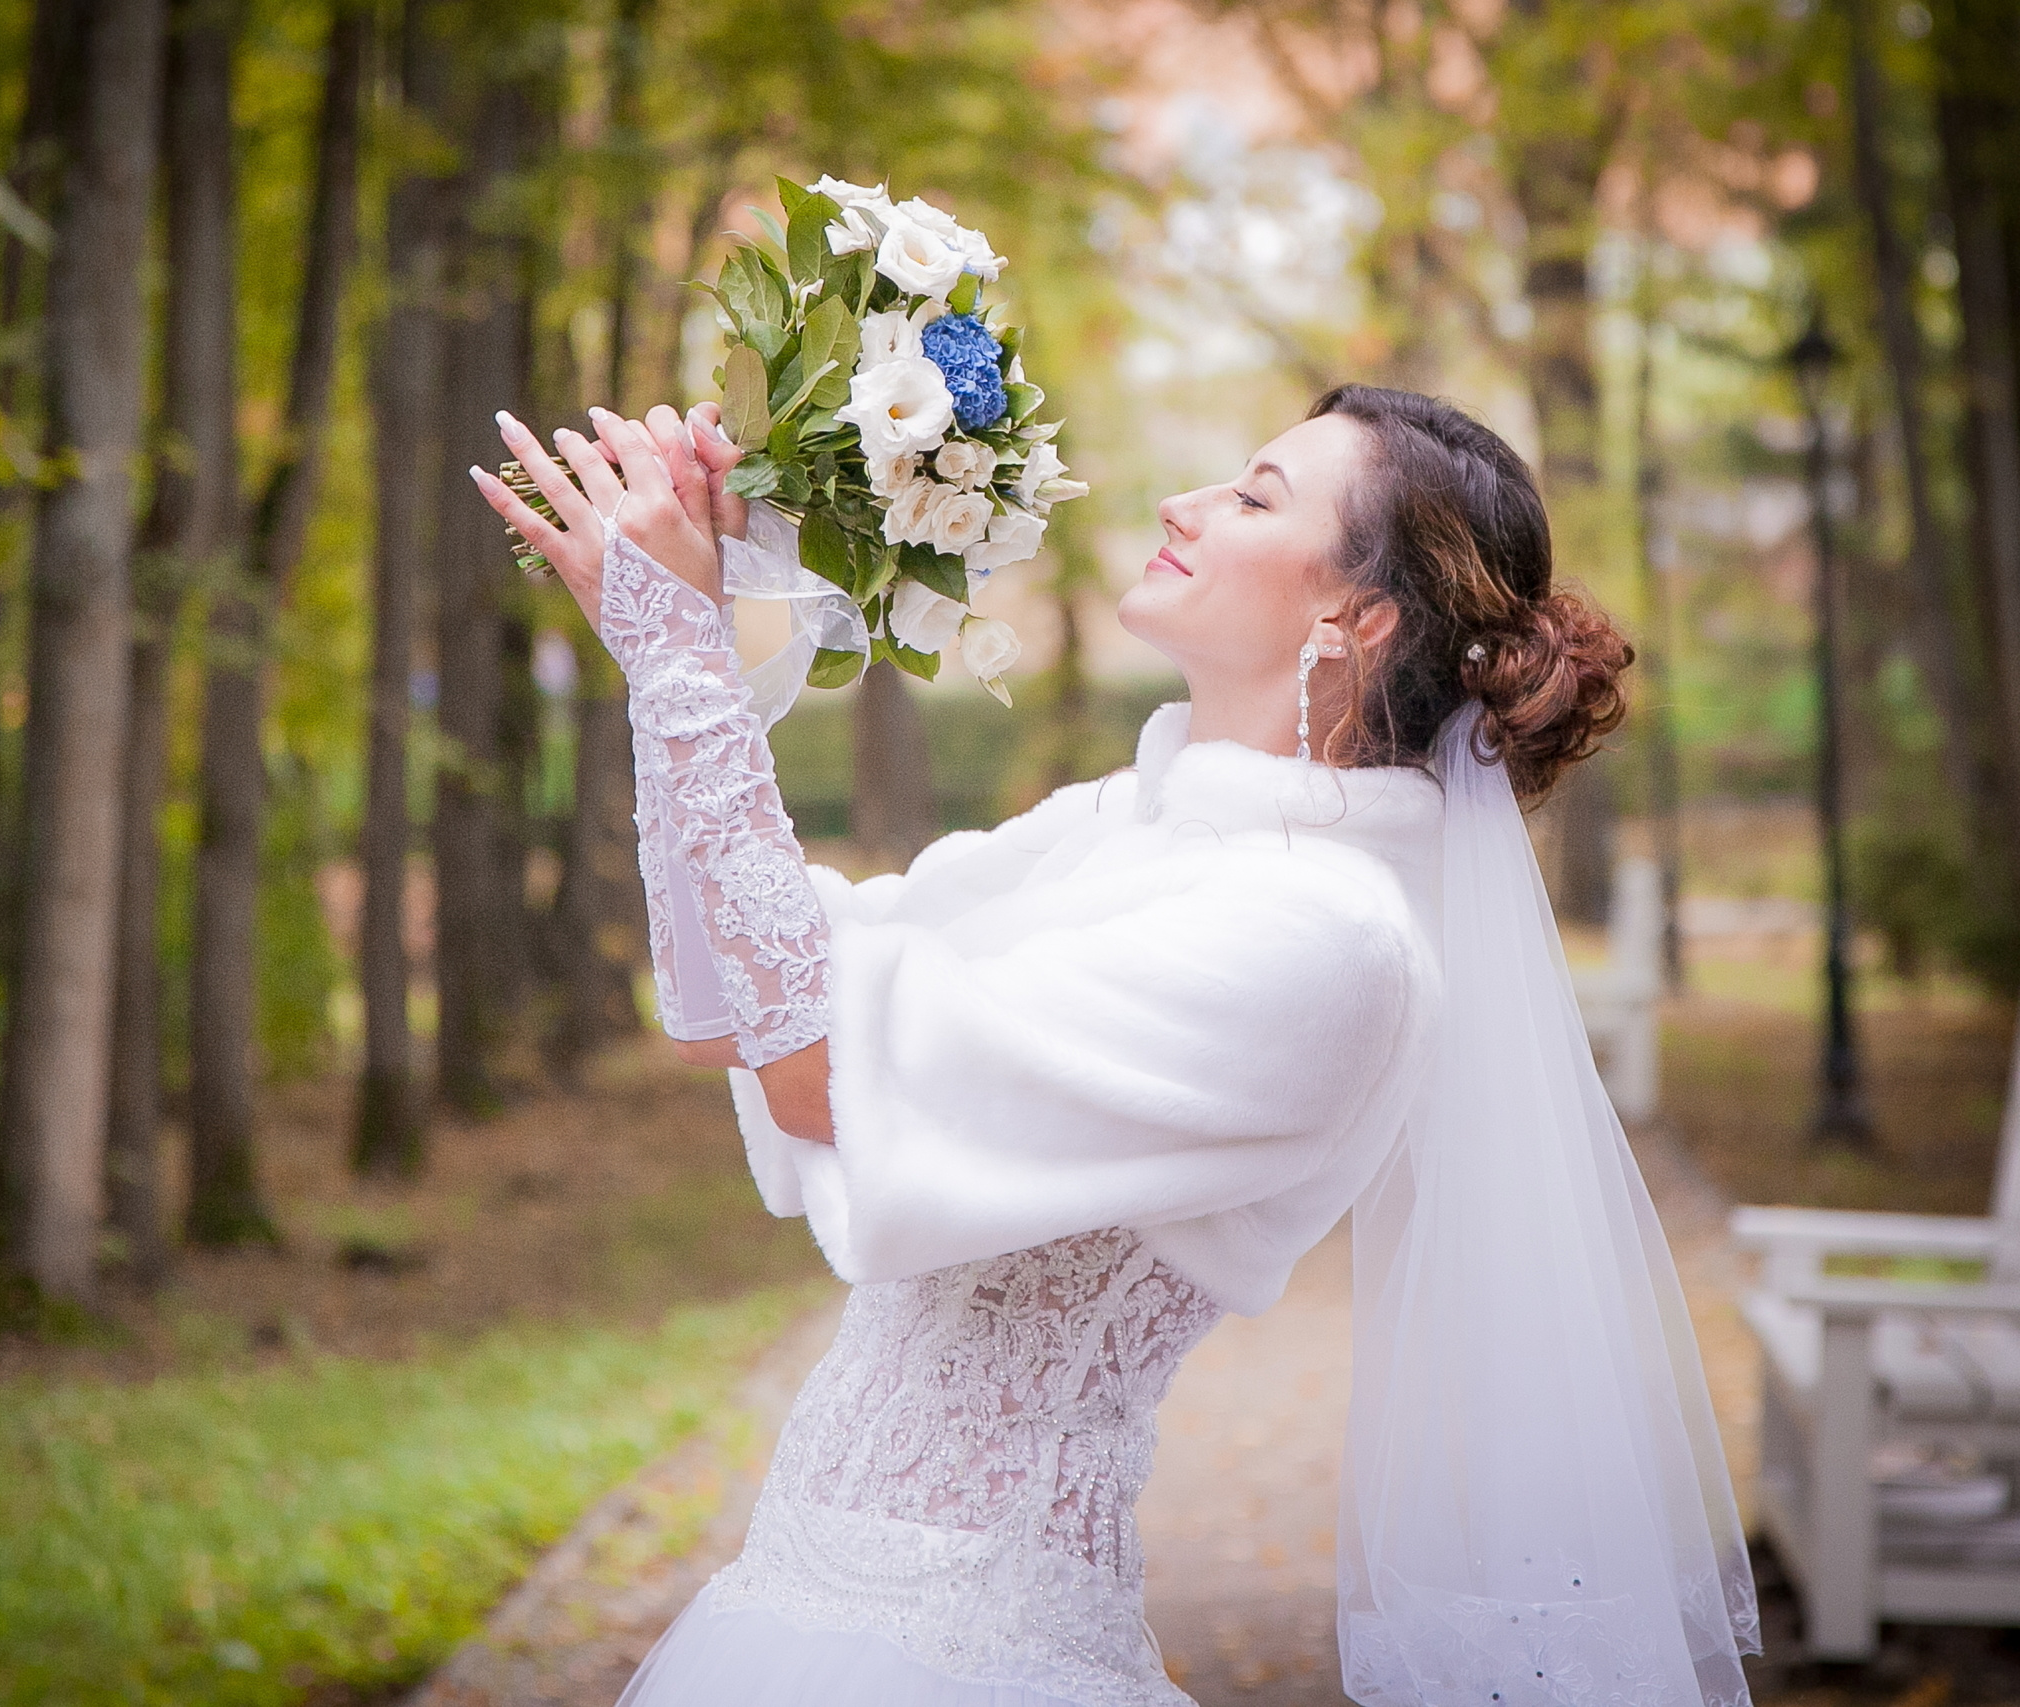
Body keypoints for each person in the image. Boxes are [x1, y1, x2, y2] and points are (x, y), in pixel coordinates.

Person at [467, 385, 1758, 1707]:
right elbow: (740, 1007)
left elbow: (815, 1077)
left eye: (1255, 496)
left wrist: (685, 651)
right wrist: (665, 641)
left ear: (1355, 620)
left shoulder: (1328, 942)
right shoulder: (1130, 827)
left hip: (952, 1644)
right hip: (815, 1593)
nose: (1182, 506)